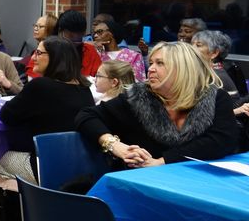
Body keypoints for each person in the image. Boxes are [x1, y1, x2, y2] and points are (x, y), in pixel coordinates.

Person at [76, 41, 241, 169]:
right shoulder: (138, 96)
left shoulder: (214, 98)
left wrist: (162, 161)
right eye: (151, 63)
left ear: (183, 68)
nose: (151, 69)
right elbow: (87, 116)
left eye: (160, 63)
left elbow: (222, 140)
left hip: (198, 181)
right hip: (140, 182)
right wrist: (114, 145)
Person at [0, 36, 94, 184]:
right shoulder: (84, 88)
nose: (33, 57)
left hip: (46, 167)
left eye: (39, 53)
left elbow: (6, 116)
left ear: (55, 58)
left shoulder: (41, 86)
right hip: (81, 167)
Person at [53, 10, 101, 77]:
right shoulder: (48, 50)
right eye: (71, 35)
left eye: (80, 35)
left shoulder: (90, 51)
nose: (75, 39)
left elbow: (98, 76)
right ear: (60, 31)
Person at [191, 30, 240, 95]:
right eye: (192, 44)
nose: (191, 48)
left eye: (198, 45)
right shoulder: (208, 71)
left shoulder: (214, 76)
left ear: (214, 53)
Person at [24, 14, 57, 79]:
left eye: (40, 26)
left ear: (50, 29)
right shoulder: (37, 50)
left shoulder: (53, 52)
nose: (35, 29)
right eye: (35, 25)